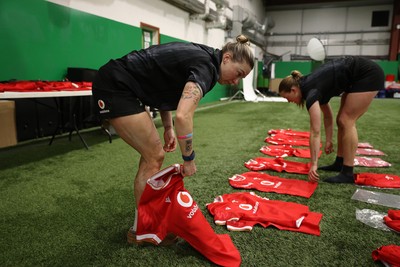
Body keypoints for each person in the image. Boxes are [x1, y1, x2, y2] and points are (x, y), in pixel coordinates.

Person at [92, 35, 254, 243]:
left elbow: (163, 85)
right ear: (227, 58)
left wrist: (167, 127)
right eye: (238, 73)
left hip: (121, 83)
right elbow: (184, 115)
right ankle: (142, 230)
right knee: (154, 155)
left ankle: (144, 225)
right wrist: (189, 159)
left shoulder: (205, 56)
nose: (235, 81)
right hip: (116, 85)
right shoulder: (208, 67)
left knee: (153, 155)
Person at [278, 56, 384, 183]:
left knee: (346, 120)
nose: (289, 101)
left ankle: (347, 173)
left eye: (287, 97)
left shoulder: (311, 92)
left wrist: (313, 165)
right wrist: (329, 140)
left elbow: (315, 132)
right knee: (341, 120)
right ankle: (339, 162)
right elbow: (328, 116)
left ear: (293, 90)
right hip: (355, 76)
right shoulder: (311, 86)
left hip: (367, 74)